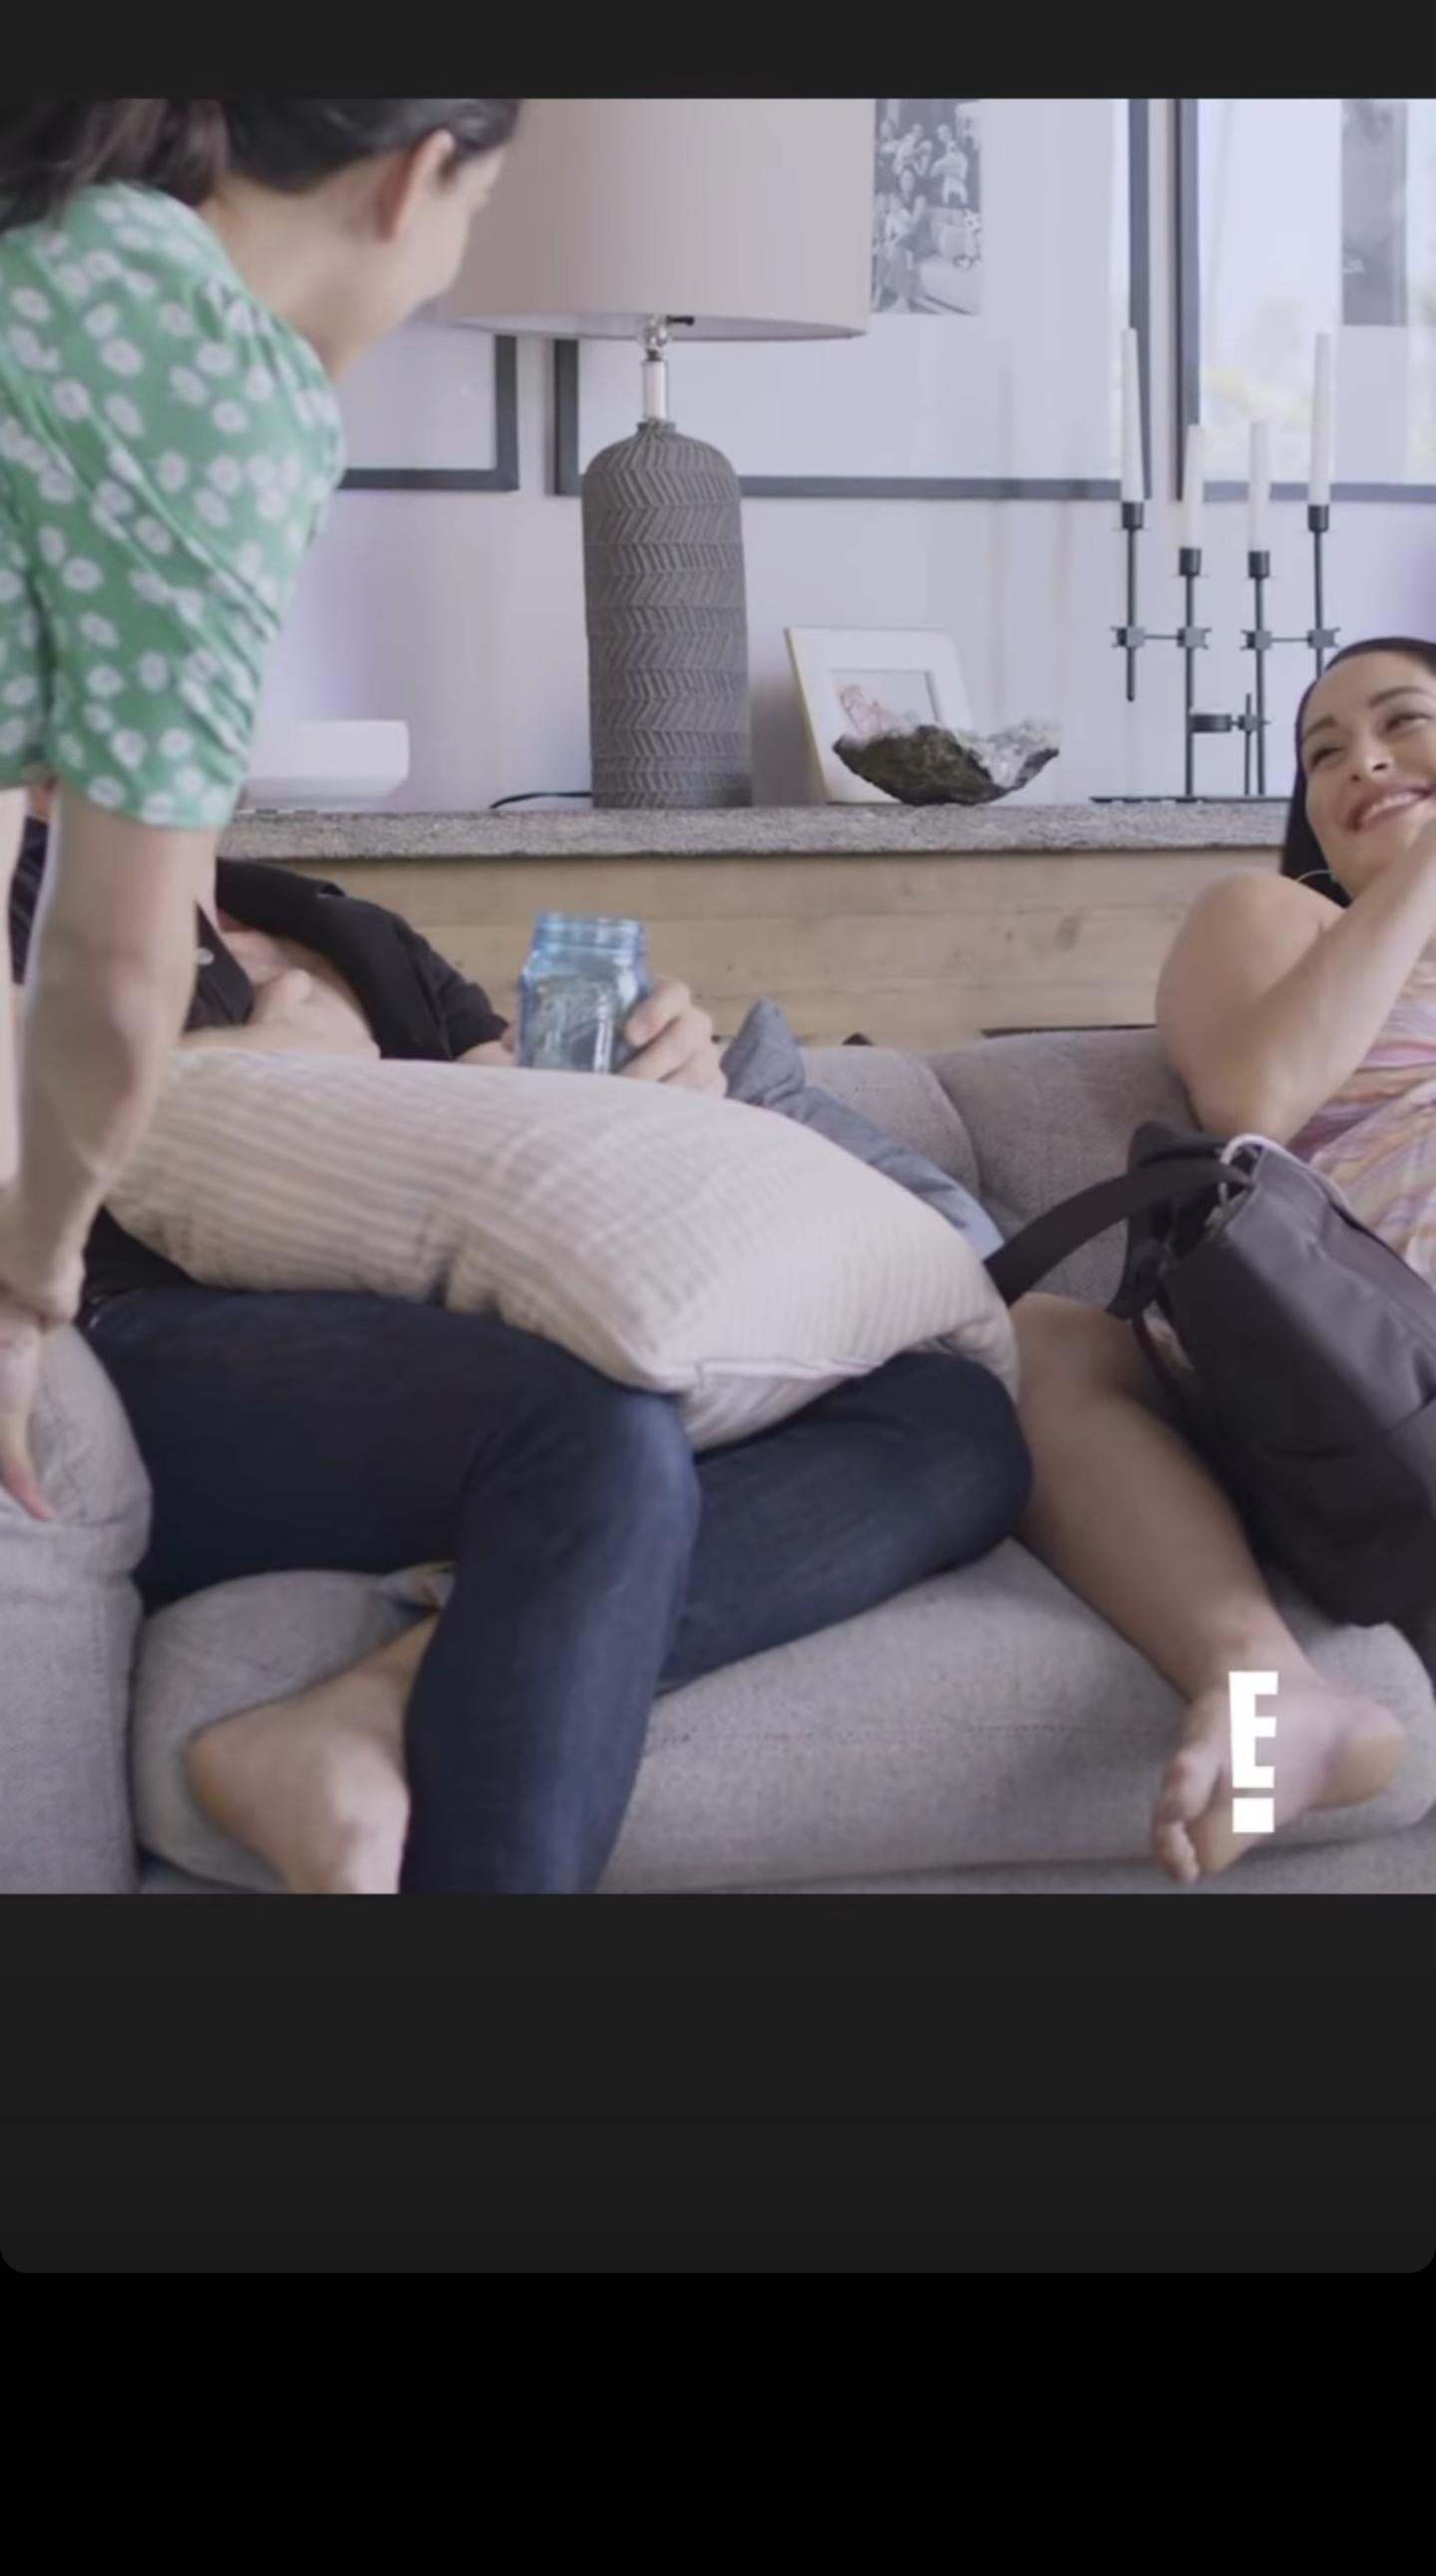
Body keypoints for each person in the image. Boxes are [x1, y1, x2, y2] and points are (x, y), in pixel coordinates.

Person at [9, 801, 1032, 1896]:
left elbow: (513, 1114)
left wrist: (659, 1085)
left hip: (457, 1354)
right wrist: (245, 1064)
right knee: (585, 1434)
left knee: (954, 1415)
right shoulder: (37, 899)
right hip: (161, 1358)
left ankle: (380, 1700)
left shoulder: (338, 927)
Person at [0, 97, 521, 1514]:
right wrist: (30, 1279)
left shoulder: (48, 253)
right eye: (477, 215)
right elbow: (114, 962)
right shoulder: (209, 374)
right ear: (416, 179)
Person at [1012, 636, 1433, 1884]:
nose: (1360, 762)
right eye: (1323, 753)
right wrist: (1423, 868)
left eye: (1403, 722)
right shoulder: (1272, 914)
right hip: (1363, 1365)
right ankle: (1267, 1686)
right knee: (1037, 1342)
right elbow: (1252, 1101)